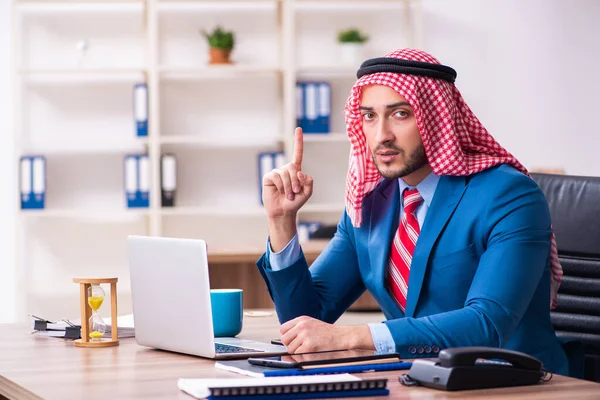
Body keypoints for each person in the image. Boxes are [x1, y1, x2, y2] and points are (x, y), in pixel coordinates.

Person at [256, 48, 569, 375]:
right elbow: (306, 320)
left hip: (516, 382)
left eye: (400, 114)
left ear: (437, 118)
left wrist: (355, 337)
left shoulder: (508, 195)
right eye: (369, 116)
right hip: (416, 381)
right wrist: (281, 221)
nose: (382, 136)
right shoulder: (369, 202)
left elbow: (487, 323)